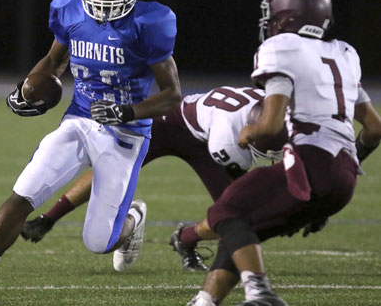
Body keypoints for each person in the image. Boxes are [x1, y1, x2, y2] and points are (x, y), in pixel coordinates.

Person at [0, 0, 182, 304]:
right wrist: (25, 89)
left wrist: (126, 112)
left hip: (126, 133)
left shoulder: (149, 23)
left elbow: (173, 94)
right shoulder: (69, 9)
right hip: (80, 119)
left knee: (98, 241)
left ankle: (132, 219)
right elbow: (53, 63)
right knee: (26, 191)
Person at [185, 0, 381, 306]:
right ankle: (206, 300)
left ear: (286, 16)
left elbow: (269, 125)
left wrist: (248, 134)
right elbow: (374, 128)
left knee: (226, 211)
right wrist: (345, 165)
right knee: (244, 227)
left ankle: (260, 293)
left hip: (310, 163)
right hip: (344, 178)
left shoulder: (281, 48)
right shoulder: (344, 54)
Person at [20, 85, 289, 271]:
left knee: (235, 216)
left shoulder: (276, 114)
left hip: (203, 134)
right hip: (166, 124)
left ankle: (185, 240)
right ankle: (48, 218)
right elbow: (246, 182)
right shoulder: (228, 135)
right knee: (108, 170)